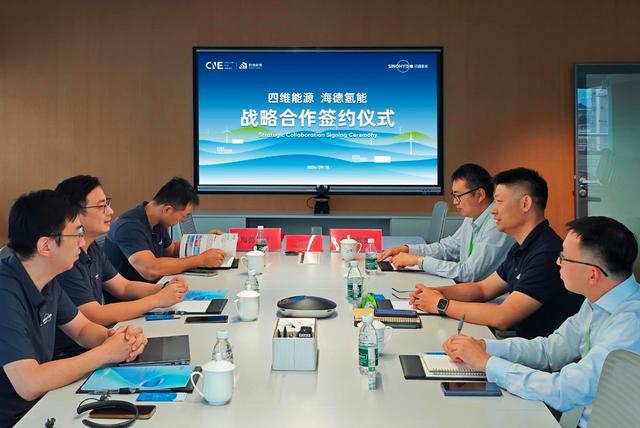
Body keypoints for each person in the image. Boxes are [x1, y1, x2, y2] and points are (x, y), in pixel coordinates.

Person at [443, 216, 640, 428]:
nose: (558, 263)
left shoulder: (630, 324)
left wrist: (487, 363)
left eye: (564, 258)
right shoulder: (598, 301)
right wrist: (485, 347)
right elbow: (550, 351)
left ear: (592, 275)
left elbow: (565, 390)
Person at [0, 190, 147, 427]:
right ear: (45, 245)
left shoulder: (47, 279)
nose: (82, 241)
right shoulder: (5, 291)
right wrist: (107, 352)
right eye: (77, 233)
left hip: (45, 403)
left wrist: (120, 339)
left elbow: (82, 330)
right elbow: (30, 383)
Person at [410, 167, 584, 339]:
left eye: (499, 202)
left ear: (525, 203)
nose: (493, 210)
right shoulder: (521, 247)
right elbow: (482, 289)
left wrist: (441, 304)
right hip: (525, 346)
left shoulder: (546, 254)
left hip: (541, 353)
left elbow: (502, 317)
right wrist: (434, 292)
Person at [53, 175, 189, 357]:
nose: (110, 211)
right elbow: (94, 315)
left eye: (107, 204)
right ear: (74, 214)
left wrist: (165, 288)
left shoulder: (92, 248)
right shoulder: (65, 260)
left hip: (98, 342)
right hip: (72, 353)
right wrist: (157, 300)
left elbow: (123, 286)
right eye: (101, 206)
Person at [378, 163, 514, 282]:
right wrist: (407, 249)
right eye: (453, 196)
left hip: (485, 297)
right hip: (468, 289)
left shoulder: (497, 223)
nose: (455, 201)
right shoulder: (471, 217)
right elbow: (448, 249)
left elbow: (470, 273)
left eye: (458, 196)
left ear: (479, 195)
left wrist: (419, 261)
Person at [104, 177, 225, 283]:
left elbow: (171, 250)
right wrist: (201, 259)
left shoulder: (157, 222)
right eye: (183, 216)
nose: (182, 220)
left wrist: (205, 242)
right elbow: (150, 270)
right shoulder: (128, 226)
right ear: (167, 209)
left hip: (156, 289)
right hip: (133, 298)